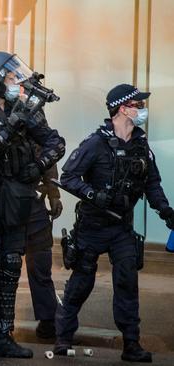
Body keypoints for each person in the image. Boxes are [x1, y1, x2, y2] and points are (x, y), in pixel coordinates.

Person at [54, 84, 174, 363]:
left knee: (127, 283)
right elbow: (68, 176)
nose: (142, 110)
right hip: (92, 227)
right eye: (137, 105)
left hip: (122, 229)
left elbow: (152, 183)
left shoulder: (141, 145)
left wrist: (166, 212)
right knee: (81, 282)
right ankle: (63, 338)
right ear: (122, 108)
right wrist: (93, 195)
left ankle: (131, 344)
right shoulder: (96, 143)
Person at [0, 51, 65, 358]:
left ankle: (4, 334)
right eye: (10, 77)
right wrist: (9, 130)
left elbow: (55, 142)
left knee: (10, 265)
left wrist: (39, 166)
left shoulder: (24, 111)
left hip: (17, 198)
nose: (17, 82)